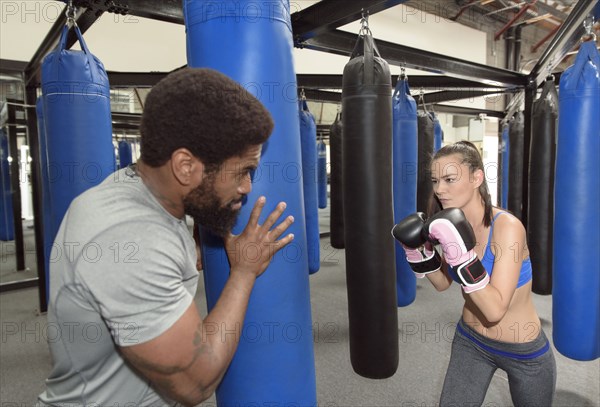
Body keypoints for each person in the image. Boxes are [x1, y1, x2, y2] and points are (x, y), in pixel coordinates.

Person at [38, 68, 295, 406]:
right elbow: (195, 383)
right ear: (185, 167)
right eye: (243, 171)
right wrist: (244, 272)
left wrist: (198, 221)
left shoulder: (138, 186)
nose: (247, 187)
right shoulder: (128, 241)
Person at [393, 141, 556, 406]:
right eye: (435, 180)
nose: (439, 189)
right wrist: (420, 255)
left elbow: (494, 311)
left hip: (523, 351)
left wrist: (462, 256)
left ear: (476, 177)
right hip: (471, 342)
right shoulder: (450, 224)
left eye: (449, 179)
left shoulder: (508, 228)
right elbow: (444, 283)